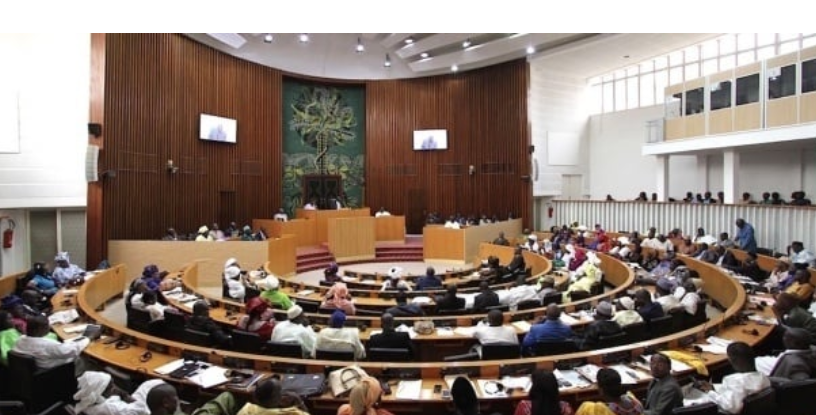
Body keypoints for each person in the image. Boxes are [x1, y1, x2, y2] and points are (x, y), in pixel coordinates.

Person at [693, 342, 770, 414]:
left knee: (690, 397)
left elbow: (732, 407)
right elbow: (737, 391)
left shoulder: (736, 381)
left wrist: (710, 392)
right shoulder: (763, 377)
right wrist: (713, 387)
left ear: (732, 360)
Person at [11, 314, 89, 369]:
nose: (49, 328)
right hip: (54, 372)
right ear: (40, 329)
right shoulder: (47, 346)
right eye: (47, 326)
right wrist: (87, 338)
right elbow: (71, 351)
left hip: (33, 373)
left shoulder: (20, 339)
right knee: (83, 358)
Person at [236, 377, 309, 415]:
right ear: (279, 400)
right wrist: (299, 401)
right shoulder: (291, 413)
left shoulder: (245, 410)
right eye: (280, 392)